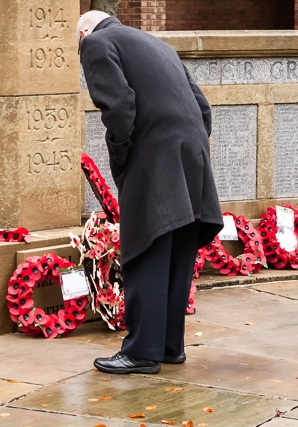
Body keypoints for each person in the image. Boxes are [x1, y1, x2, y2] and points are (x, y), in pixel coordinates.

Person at [77, 11, 223, 374]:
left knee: (146, 249)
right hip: (192, 154)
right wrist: (191, 148)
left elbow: (120, 107)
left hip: (154, 155)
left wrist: (123, 154)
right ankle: (170, 345)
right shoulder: (159, 44)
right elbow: (203, 108)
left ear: (83, 31)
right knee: (177, 252)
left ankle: (142, 351)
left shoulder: (96, 42)